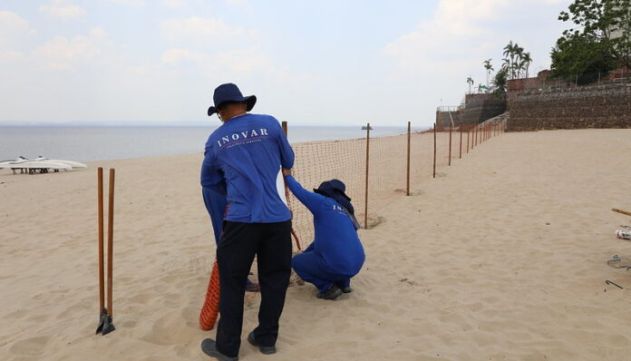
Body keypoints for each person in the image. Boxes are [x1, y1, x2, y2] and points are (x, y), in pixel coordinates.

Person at [200, 83, 294, 361]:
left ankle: (228, 349)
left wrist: (234, 192)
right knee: (275, 279)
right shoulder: (271, 125)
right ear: (243, 103)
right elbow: (288, 159)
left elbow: (208, 180)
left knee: (232, 281)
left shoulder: (216, 139)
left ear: (219, 112)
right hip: (277, 218)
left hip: (241, 220)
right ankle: (266, 338)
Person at [283, 172, 365, 300]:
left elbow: (300, 192)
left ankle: (327, 288)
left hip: (339, 264)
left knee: (297, 262)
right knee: (339, 250)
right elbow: (329, 242)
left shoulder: (323, 202)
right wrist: (305, 253)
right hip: (357, 263)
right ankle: (344, 284)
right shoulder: (346, 211)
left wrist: (287, 176)